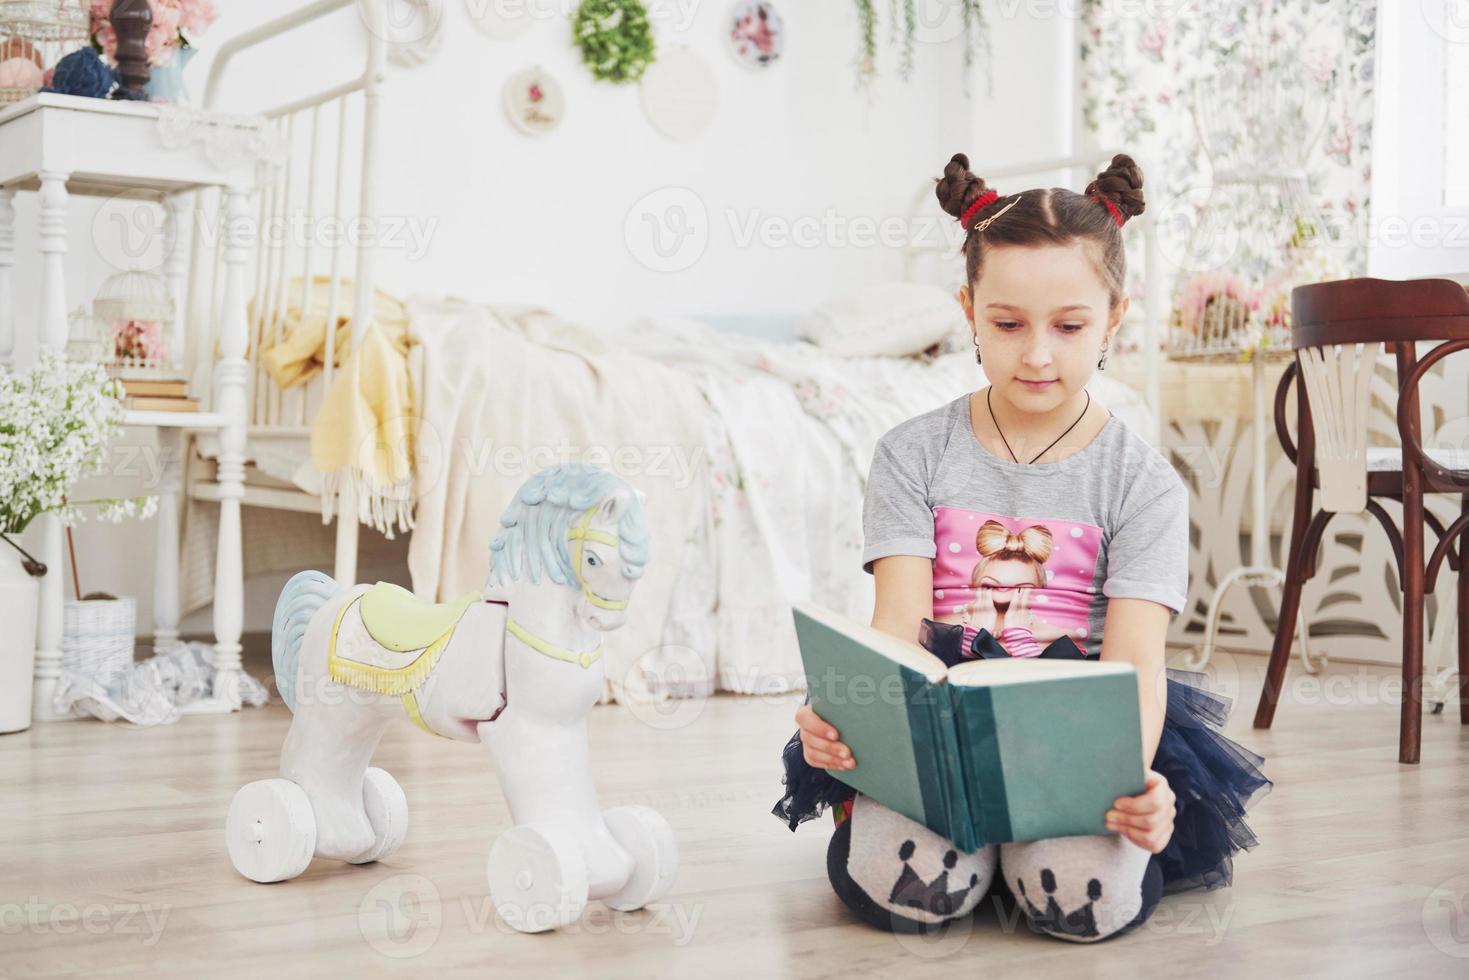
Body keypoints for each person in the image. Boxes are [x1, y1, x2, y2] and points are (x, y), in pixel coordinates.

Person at [772, 152, 1272, 942]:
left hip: (1078, 729)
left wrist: (1127, 780)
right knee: (904, 892)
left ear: (1113, 318)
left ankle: (1027, 843)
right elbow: (897, 625)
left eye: (1068, 326)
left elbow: (1136, 661)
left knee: (1083, 902)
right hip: (945, 718)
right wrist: (853, 722)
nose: (1037, 353)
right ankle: (973, 837)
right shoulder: (911, 453)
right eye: (1007, 324)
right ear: (968, 310)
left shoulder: (1144, 483)